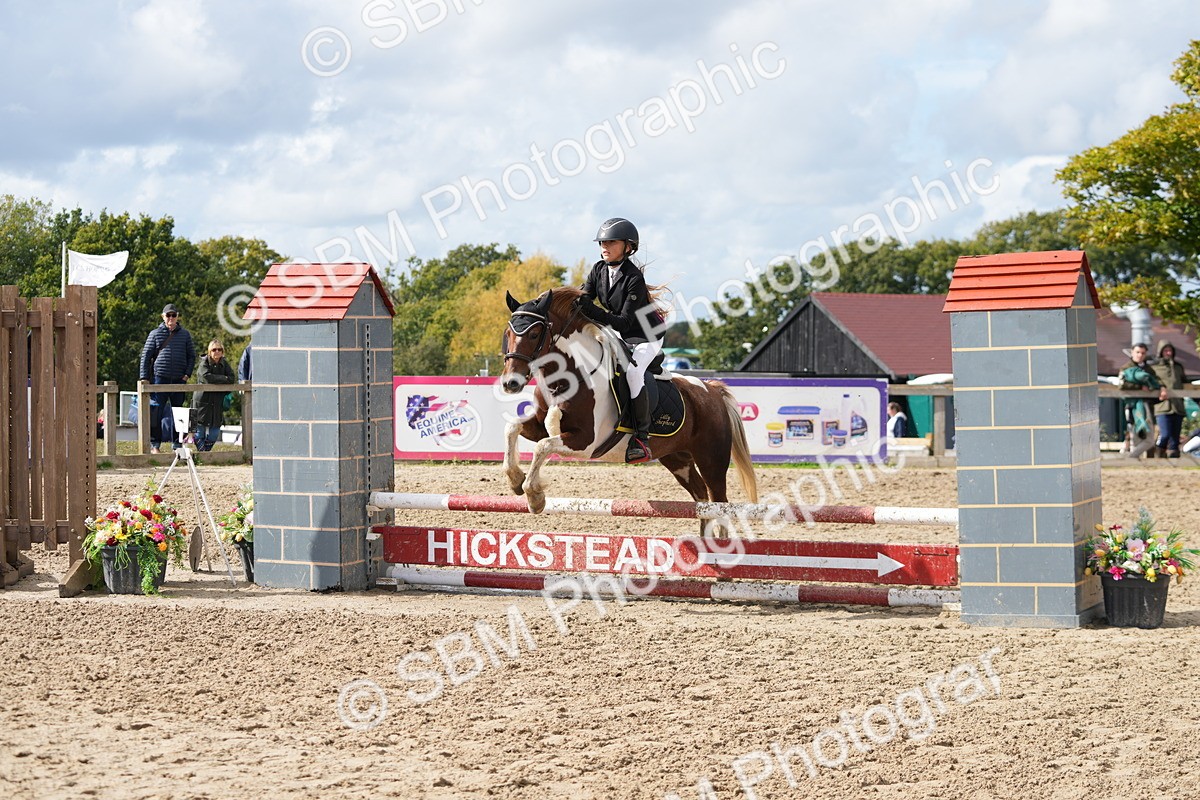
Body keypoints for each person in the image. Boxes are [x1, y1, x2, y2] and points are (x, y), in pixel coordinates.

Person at [575, 217, 665, 463]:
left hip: (646, 334)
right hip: (620, 332)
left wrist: (589, 310)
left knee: (634, 373)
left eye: (611, 242)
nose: (604, 246)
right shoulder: (598, 269)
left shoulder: (633, 277)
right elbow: (582, 298)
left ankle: (641, 438)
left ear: (628, 246)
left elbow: (624, 322)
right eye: (602, 242)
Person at [139, 303, 196, 454]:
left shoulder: (185, 334)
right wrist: (144, 377)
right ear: (163, 317)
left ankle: (177, 445)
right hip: (160, 378)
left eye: (173, 315)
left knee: (179, 414)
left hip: (179, 379)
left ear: (177, 317)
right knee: (156, 412)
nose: (171, 318)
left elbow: (192, 356)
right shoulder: (155, 334)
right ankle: (155, 445)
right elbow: (146, 356)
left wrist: (187, 374)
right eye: (168, 315)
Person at [1118, 342, 1166, 459]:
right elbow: (1122, 384)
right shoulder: (1126, 367)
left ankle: (1131, 458)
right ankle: (1132, 461)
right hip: (1132, 405)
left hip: (1146, 406)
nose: (1140, 355)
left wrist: (1162, 388)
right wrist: (1140, 387)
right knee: (1135, 435)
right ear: (1132, 353)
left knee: (1148, 438)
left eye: (1143, 353)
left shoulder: (1148, 369)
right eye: (1137, 352)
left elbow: (1157, 381)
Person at [192, 340, 235, 451]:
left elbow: (231, 378)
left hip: (217, 401)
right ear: (209, 352)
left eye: (219, 349)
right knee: (198, 432)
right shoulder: (204, 363)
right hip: (202, 402)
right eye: (214, 349)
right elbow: (206, 377)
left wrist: (218, 379)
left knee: (214, 433)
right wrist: (223, 378)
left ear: (222, 351)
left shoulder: (224, 363)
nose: (217, 352)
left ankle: (205, 454)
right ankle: (202, 456)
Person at [1151, 339, 1187, 458]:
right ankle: (1158, 456)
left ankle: (1174, 465)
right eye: (1165, 350)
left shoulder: (1178, 367)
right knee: (1165, 434)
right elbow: (1152, 382)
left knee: (1175, 439)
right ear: (1161, 352)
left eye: (1170, 350)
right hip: (1162, 406)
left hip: (1178, 406)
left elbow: (1185, 383)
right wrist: (1160, 387)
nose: (1168, 353)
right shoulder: (1154, 367)